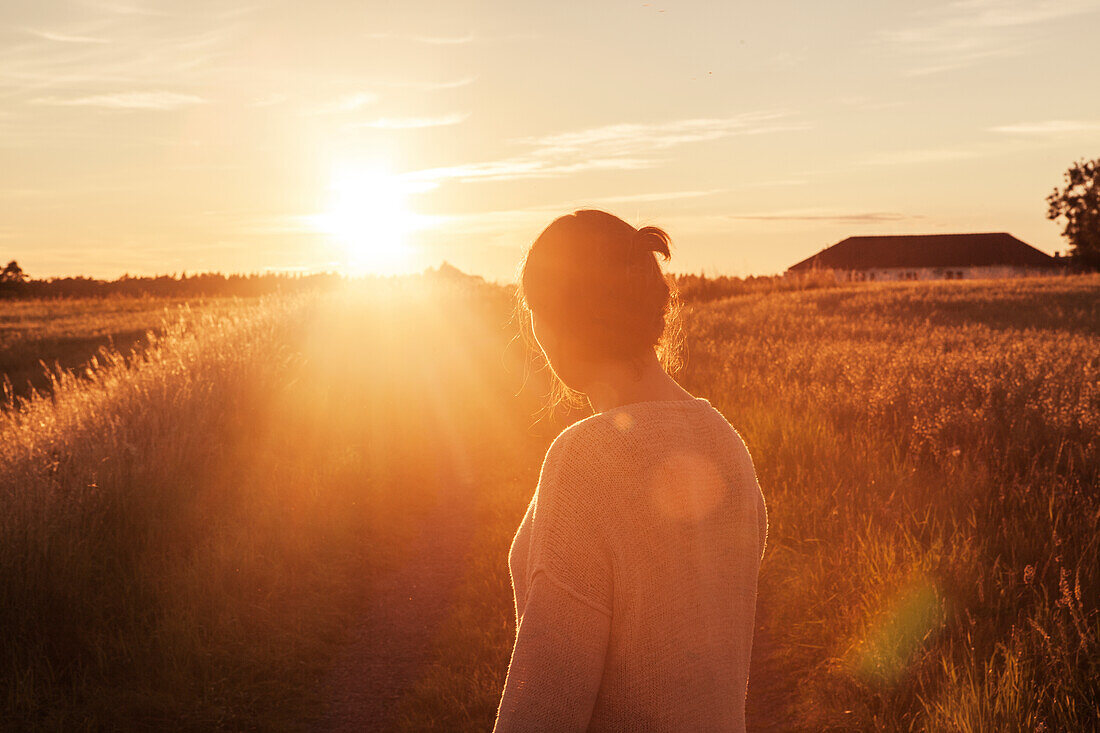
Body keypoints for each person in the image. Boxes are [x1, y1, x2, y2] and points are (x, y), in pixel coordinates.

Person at [493, 210, 768, 732]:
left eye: (534, 310)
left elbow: (545, 707)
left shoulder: (585, 462)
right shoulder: (727, 444)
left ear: (564, 317)